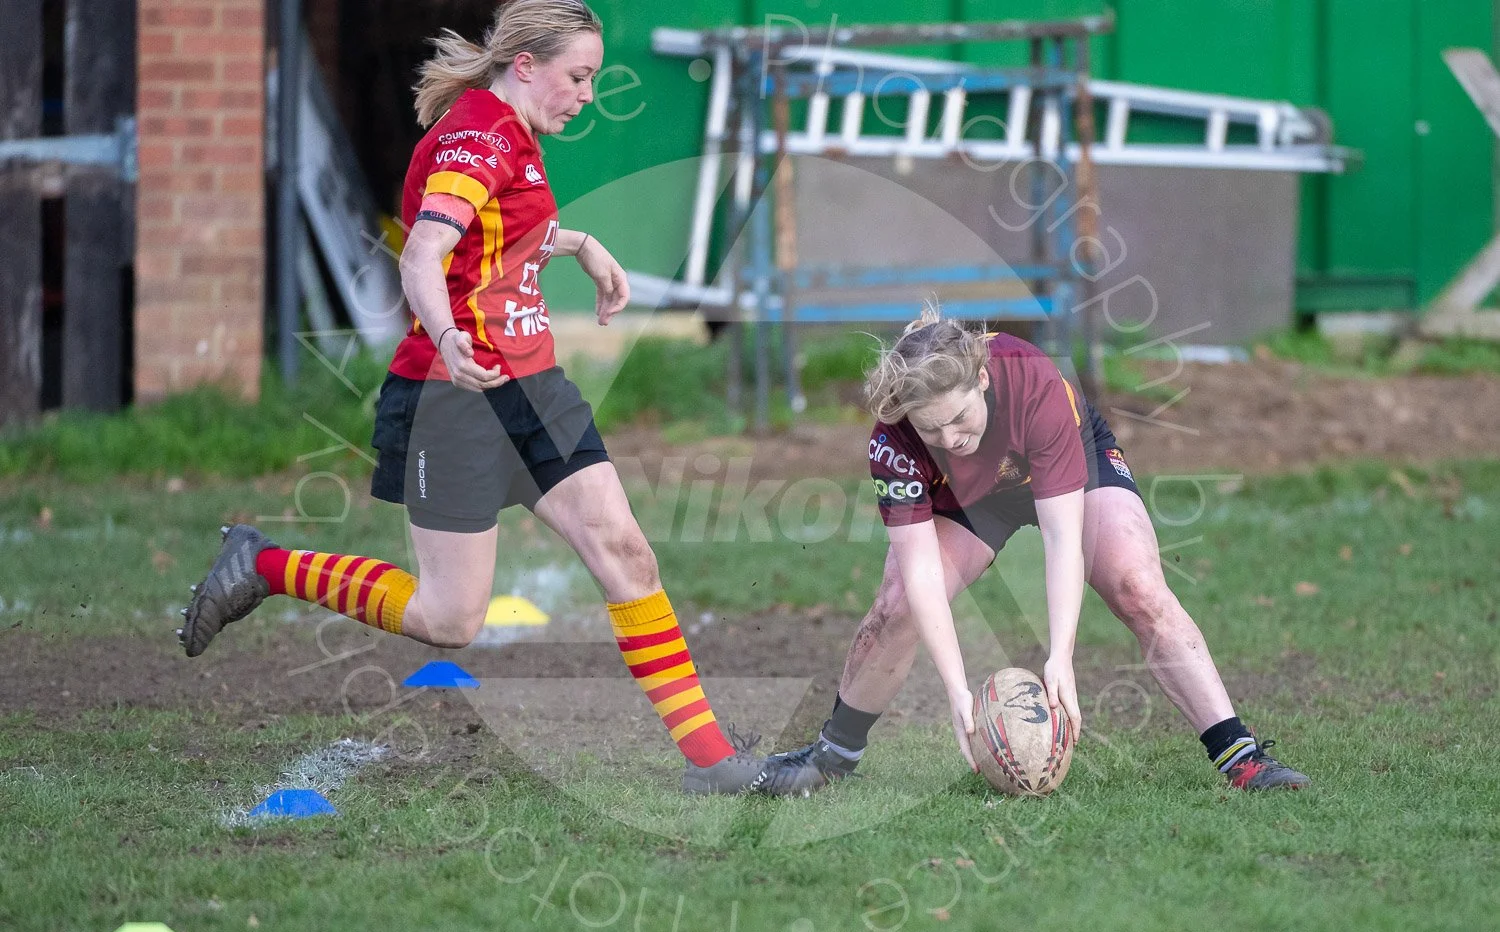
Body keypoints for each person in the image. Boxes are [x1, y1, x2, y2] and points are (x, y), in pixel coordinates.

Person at [177, 0, 769, 795]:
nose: (587, 94)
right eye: (578, 76)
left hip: (533, 386)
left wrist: (583, 245)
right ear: (525, 65)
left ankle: (712, 764)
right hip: (452, 398)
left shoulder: (510, 133)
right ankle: (263, 564)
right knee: (450, 619)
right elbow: (424, 251)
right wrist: (449, 336)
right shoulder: (477, 135)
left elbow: (504, 226)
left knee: (625, 551)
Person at [762, 307, 1310, 794]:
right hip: (967, 495)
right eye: (932, 428)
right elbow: (923, 576)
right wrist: (957, 689)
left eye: (959, 418)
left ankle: (1241, 757)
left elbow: (1062, 537)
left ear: (981, 379)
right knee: (897, 605)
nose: (950, 437)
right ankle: (831, 760)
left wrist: (1061, 656)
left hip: (1066, 465)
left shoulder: (1032, 383)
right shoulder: (894, 440)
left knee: (1136, 586)